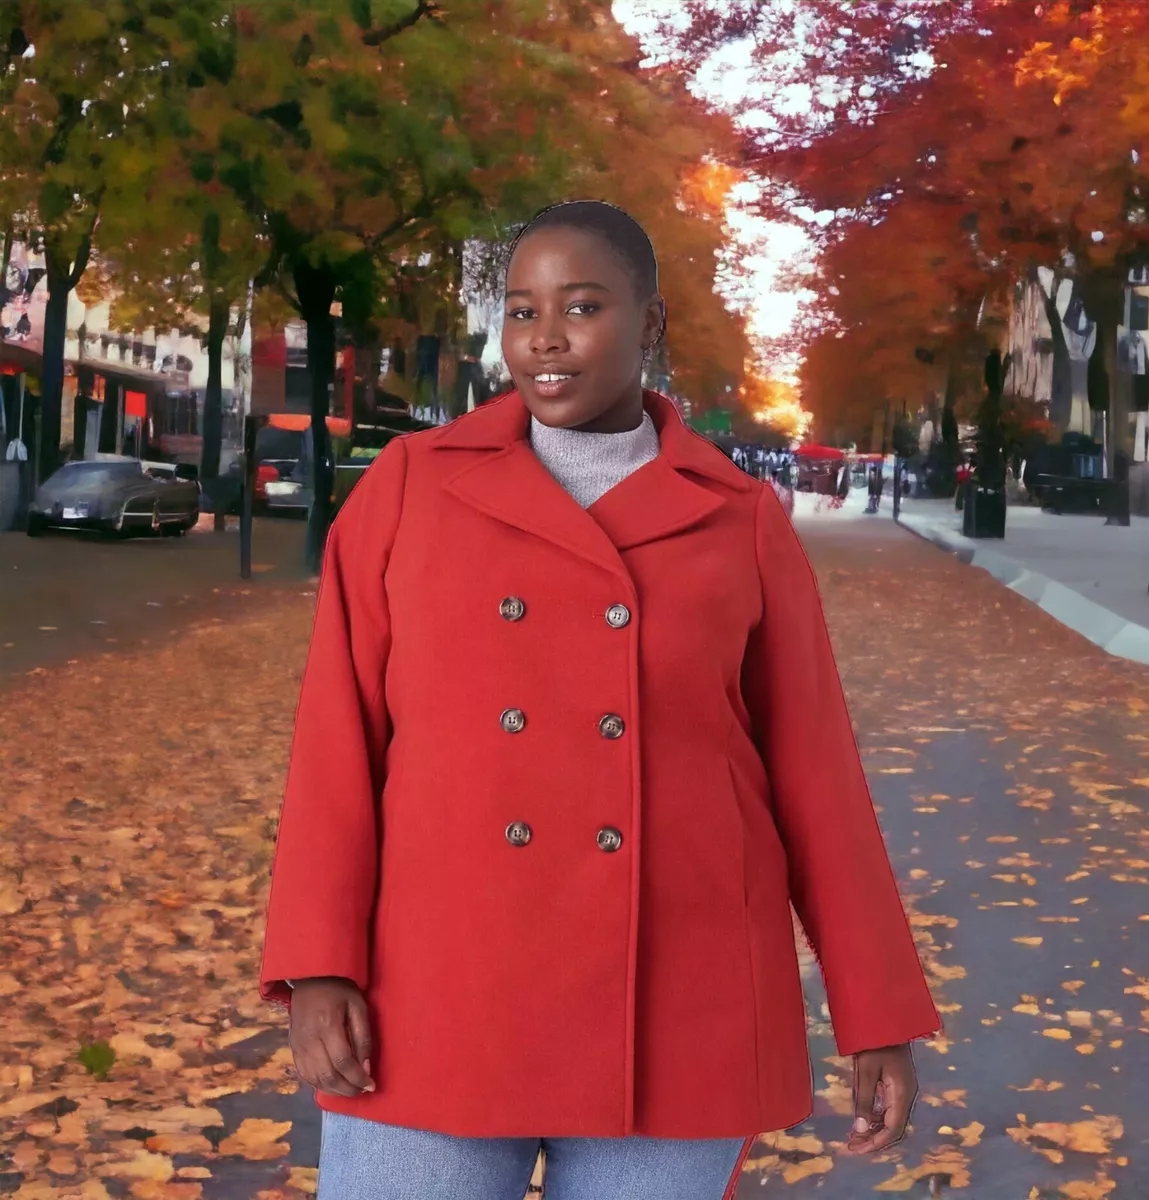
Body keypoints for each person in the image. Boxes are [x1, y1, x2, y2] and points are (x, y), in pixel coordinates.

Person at [260, 200, 939, 1200]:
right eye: (522, 308)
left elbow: (815, 775)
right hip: (438, 987)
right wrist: (318, 964)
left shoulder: (739, 518)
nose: (544, 337)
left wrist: (873, 1009)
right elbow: (336, 740)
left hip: (678, 998)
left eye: (581, 306)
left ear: (651, 324)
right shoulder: (410, 485)